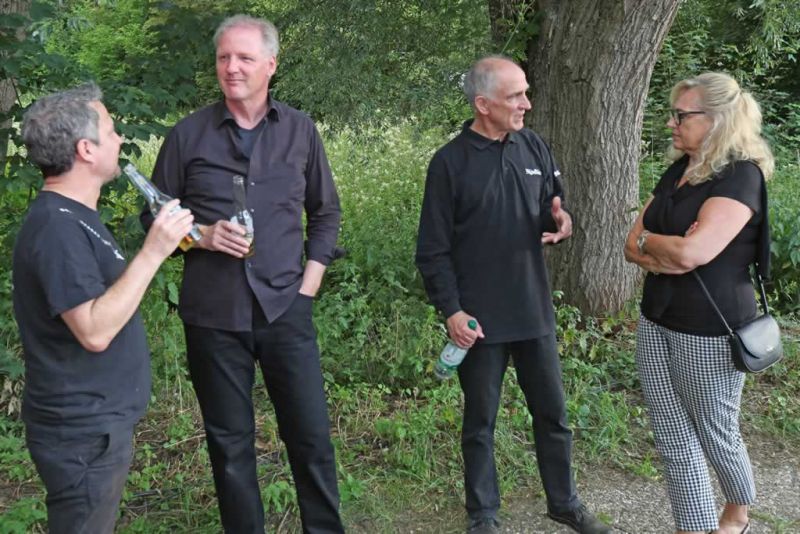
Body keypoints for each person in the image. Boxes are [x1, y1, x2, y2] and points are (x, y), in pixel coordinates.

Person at [141, 15, 343, 534]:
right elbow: (154, 215)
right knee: (230, 447)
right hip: (213, 314)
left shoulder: (300, 130)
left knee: (311, 438)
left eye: (245, 58)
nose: (232, 67)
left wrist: (309, 287)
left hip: (285, 308)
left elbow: (325, 213)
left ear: (270, 65)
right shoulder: (188, 135)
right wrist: (201, 236)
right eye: (224, 57)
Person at [415, 55, 611, 534]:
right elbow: (432, 250)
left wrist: (561, 222)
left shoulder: (533, 146)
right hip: (478, 319)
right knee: (480, 422)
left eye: (525, 92)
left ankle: (564, 503)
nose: (527, 103)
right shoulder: (450, 163)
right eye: (515, 96)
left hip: (531, 307)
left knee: (553, 415)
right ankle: (482, 514)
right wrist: (451, 311)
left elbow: (550, 208)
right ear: (483, 105)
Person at [12, 84, 194, 534]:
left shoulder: (75, 216)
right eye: (111, 131)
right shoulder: (56, 228)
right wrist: (154, 251)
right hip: (81, 432)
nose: (119, 139)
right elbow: (93, 330)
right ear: (86, 149)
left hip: (95, 427)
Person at [623, 72, 774, 534]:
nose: (672, 123)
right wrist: (660, 245)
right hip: (656, 316)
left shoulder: (740, 176)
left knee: (714, 429)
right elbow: (631, 243)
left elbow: (693, 253)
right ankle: (694, 527)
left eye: (681, 115)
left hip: (710, 327)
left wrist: (662, 246)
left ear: (717, 120)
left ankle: (739, 512)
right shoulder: (679, 171)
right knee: (672, 434)